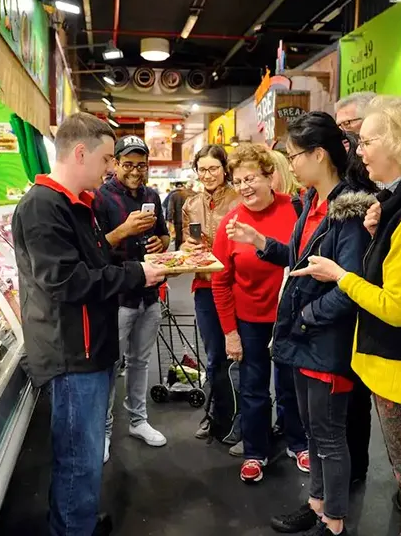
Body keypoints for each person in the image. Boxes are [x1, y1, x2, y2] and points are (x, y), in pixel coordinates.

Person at [295, 96, 401, 536]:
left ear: (398, 141)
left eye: (368, 139)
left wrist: (340, 277)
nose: (359, 149)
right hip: (397, 366)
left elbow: (398, 306)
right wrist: (377, 233)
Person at [12, 113, 165, 536]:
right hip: (71, 352)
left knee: (83, 453)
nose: (111, 168)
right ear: (80, 152)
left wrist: (140, 265)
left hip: (87, 346)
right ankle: (72, 528)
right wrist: (137, 274)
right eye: (107, 158)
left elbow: (95, 261)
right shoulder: (44, 207)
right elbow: (66, 280)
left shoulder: (75, 203)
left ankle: (75, 521)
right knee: (78, 457)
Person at [232, 113, 375, 536]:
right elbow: (301, 264)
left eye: (294, 156)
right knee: (313, 432)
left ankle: (333, 519)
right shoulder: (312, 204)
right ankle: (317, 504)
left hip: (327, 342)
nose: (289, 165)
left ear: (318, 155)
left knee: (329, 436)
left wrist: (307, 317)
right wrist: (261, 244)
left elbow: (349, 285)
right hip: (304, 338)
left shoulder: (349, 211)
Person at [212, 144, 298, 483]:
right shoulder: (231, 223)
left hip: (290, 316)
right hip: (249, 318)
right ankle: (255, 452)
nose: (245, 186)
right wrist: (230, 332)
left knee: (292, 384)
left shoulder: (295, 210)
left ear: (269, 176)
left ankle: (298, 442)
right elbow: (220, 281)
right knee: (253, 386)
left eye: (251, 178)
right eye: (238, 180)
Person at [93, 135, 171, 462]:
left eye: (141, 165)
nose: (136, 172)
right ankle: (104, 431)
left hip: (150, 294)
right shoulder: (100, 198)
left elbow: (165, 235)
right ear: (116, 164)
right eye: (128, 164)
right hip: (118, 298)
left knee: (141, 361)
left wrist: (160, 243)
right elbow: (94, 248)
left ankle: (138, 420)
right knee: (111, 365)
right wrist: (124, 230)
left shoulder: (153, 195)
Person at [179, 145, 240, 440]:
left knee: (238, 355)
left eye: (213, 168)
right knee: (214, 355)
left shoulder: (240, 200)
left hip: (237, 287)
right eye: (202, 169)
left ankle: (240, 420)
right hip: (204, 287)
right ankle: (216, 416)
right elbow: (185, 245)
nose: (208, 175)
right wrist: (186, 249)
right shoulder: (190, 204)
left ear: (224, 169)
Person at [334, 94, 377, 485]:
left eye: (350, 126)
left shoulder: (381, 188)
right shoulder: (342, 185)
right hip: (353, 304)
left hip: (379, 309)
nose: (344, 136)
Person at [268, 147, 310, 472]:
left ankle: (296, 438)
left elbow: (294, 256)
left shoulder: (298, 207)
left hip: (289, 301)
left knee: (288, 377)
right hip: (267, 303)